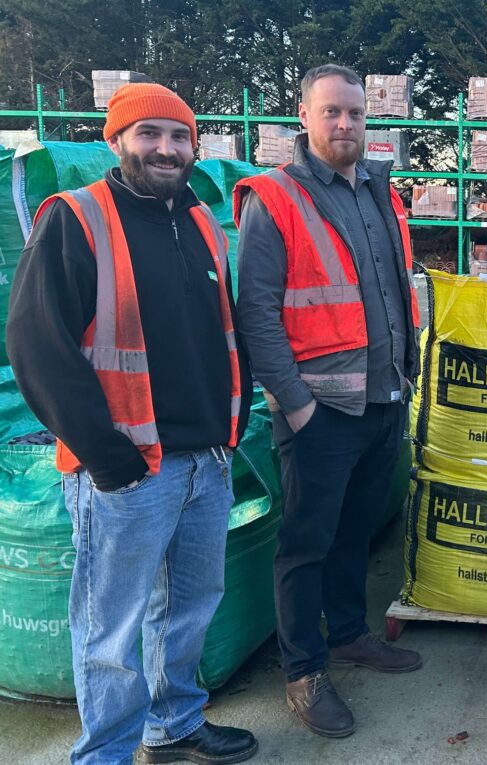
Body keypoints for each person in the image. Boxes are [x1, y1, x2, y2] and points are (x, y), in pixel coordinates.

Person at [6, 83, 256, 765]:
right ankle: (105, 755)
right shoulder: (76, 218)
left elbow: (222, 331)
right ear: (116, 141)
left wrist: (230, 429)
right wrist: (105, 457)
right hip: (127, 470)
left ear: (194, 146)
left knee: (189, 608)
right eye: (149, 134)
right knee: (109, 629)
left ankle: (173, 724)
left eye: (178, 137)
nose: (166, 149)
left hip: (205, 457)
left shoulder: (202, 220)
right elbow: (36, 345)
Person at [233, 64, 421, 739]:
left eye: (356, 114)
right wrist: (295, 403)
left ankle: (347, 632)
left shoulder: (377, 189)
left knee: (357, 527)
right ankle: (303, 670)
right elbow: (255, 311)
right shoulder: (275, 197)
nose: (346, 125)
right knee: (305, 542)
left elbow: (396, 290)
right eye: (332, 112)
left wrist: (405, 378)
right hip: (318, 409)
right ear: (303, 117)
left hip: (382, 397)